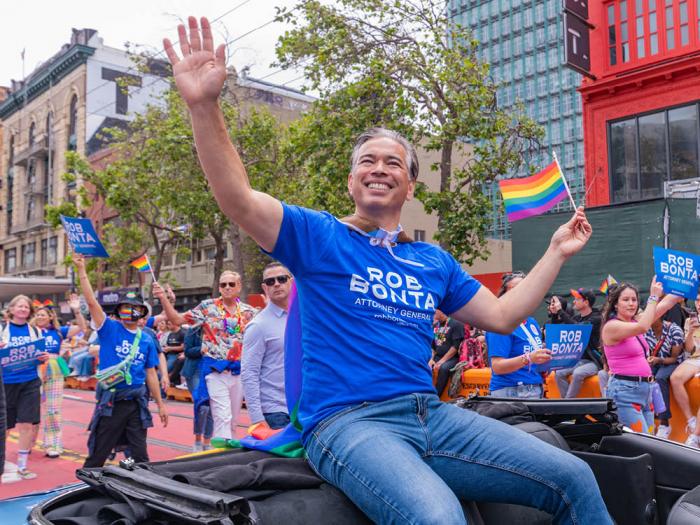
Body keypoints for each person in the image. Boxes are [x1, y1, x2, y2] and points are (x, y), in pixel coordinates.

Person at [162, 18, 611, 523]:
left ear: (411, 185)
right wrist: (203, 105)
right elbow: (238, 199)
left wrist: (555, 250)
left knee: (574, 477)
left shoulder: (433, 261)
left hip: (432, 416)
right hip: (349, 425)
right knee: (439, 519)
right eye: (368, 162)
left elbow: (504, 316)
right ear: (352, 181)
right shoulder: (320, 236)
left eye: (394, 163)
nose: (380, 168)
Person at [73, 254, 168, 468]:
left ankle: (140, 491)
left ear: (142, 313)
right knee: (99, 454)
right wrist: (81, 270)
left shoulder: (146, 338)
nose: (130, 312)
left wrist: (160, 404)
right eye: (125, 308)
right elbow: (91, 301)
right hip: (112, 402)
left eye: (134, 308)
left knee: (140, 457)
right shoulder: (109, 329)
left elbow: (151, 373)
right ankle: (90, 489)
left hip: (137, 402)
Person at [153, 271, 253, 440]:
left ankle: (228, 457)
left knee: (233, 421)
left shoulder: (249, 312)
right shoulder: (207, 307)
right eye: (223, 285)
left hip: (239, 372)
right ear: (219, 288)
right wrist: (163, 298)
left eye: (231, 284)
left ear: (239, 287)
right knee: (222, 417)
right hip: (214, 371)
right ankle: (222, 459)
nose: (227, 287)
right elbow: (177, 320)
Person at [600, 279, 681, 435]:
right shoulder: (612, 326)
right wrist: (653, 297)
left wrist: (684, 282)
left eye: (634, 300)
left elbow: (668, 303)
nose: (631, 303)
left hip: (645, 390)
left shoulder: (635, 320)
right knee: (642, 442)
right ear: (615, 304)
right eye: (626, 300)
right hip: (625, 392)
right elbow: (643, 327)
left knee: (648, 438)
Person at [0, 295, 50, 481]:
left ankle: (22, 465)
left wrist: (44, 357)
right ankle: (1, 462)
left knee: (27, 423)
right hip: (6, 383)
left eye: (26, 307)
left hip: (29, 381)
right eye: (19, 306)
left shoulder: (36, 331)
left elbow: (41, 354)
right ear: (11, 310)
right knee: (5, 426)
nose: (23, 309)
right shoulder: (2, 329)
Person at [31, 295, 87, 457]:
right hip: (33, 371)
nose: (40, 316)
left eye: (43, 314)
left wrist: (76, 309)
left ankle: (53, 444)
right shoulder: (31, 331)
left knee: (53, 410)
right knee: (31, 411)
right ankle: (30, 441)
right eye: (38, 314)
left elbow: (82, 328)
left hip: (54, 371)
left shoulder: (59, 331)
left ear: (51, 317)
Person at [241, 262, 293, 432]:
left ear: (291, 281)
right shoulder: (258, 325)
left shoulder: (303, 318)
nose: (276, 284)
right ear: (265, 287)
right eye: (270, 281)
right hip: (275, 413)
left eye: (282, 279)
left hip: (304, 408)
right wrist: (257, 418)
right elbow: (249, 373)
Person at [486, 272, 552, 398]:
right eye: (517, 289)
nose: (523, 292)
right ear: (505, 294)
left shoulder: (531, 322)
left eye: (527, 288)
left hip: (535, 388)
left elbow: (530, 353)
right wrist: (529, 358)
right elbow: (497, 366)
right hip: (512, 392)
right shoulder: (501, 322)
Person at [551, 288, 603, 398]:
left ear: (586, 302)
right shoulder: (577, 318)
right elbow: (559, 331)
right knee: (559, 373)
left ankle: (568, 404)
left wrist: (561, 311)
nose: (574, 301)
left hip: (595, 361)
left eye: (577, 299)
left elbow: (579, 330)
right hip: (579, 360)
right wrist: (555, 314)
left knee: (578, 373)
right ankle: (566, 403)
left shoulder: (597, 318)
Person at [645, 316, 685, 439]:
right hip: (656, 362)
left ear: (658, 317)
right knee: (643, 377)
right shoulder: (647, 331)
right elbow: (647, 351)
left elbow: (674, 358)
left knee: (660, 378)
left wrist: (658, 360)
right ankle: (648, 420)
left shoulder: (674, 330)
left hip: (673, 362)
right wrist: (650, 359)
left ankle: (664, 422)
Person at [670, 290, 700, 447]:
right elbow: (689, 350)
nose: (699, 304)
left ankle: (696, 436)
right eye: (698, 301)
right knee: (675, 378)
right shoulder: (690, 320)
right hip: (695, 359)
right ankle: (691, 420)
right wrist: (691, 333)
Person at [430, 310, 465, 397]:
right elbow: (433, 347)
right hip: (438, 355)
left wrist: (442, 361)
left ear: (442, 311)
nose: (433, 312)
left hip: (453, 357)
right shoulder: (435, 326)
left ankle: (436, 396)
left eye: (435, 310)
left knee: (444, 368)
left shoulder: (456, 324)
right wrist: (430, 359)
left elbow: (455, 347)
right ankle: (422, 392)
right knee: (424, 365)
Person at [161, 321, 186, 387]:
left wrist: (170, 348)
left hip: (176, 355)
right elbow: (168, 345)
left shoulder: (182, 333)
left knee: (165, 370)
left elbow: (183, 347)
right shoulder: (170, 334)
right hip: (168, 354)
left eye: (169, 323)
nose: (168, 325)